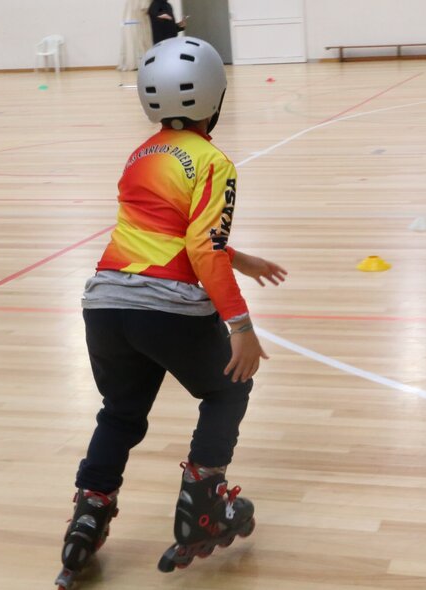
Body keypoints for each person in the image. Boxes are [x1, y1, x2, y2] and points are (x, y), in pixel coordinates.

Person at [54, 36, 287, 589]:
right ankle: (203, 508)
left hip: (105, 302)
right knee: (229, 388)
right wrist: (241, 326)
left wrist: (241, 258)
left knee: (120, 413)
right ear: (216, 97)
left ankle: (88, 513)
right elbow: (202, 249)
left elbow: (165, 229)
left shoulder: (141, 155)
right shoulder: (213, 161)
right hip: (168, 308)